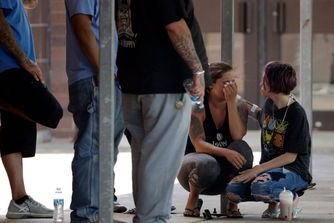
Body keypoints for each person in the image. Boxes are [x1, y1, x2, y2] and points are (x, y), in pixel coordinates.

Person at [116, 0, 209, 222]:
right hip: (165, 83)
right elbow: (175, 27)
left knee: (144, 158)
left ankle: (146, 216)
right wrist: (198, 70)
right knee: (160, 161)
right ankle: (152, 218)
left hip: (132, 81)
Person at [0, 0, 63, 219]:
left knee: (14, 131)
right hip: (7, 66)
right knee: (52, 112)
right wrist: (25, 61)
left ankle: (19, 200)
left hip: (10, 67)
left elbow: (28, 4)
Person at [64, 0, 126, 222]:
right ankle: (86, 214)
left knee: (105, 147)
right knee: (92, 147)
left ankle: (99, 210)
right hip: (93, 77)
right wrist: (104, 71)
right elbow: (82, 25)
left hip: (104, 76)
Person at [225, 61, 312, 219]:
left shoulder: (296, 113)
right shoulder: (269, 104)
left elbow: (290, 156)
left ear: (274, 82)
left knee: (261, 187)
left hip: (293, 170)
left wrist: (257, 169)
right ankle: (274, 204)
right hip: (269, 170)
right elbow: (260, 114)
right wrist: (237, 100)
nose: (261, 83)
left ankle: (291, 198)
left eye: (264, 79)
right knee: (232, 190)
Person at [177, 62, 260, 218]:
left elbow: (237, 136)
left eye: (233, 81)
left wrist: (231, 103)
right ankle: (193, 200)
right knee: (206, 163)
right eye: (226, 83)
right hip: (195, 171)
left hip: (225, 175)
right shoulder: (197, 105)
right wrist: (226, 152)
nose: (231, 86)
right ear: (210, 85)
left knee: (243, 148)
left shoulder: (237, 103)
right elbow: (199, 145)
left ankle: (233, 201)